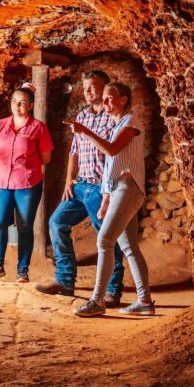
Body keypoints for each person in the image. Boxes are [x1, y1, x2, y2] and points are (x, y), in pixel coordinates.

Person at [35, 71, 125, 301]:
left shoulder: (113, 118)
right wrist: (68, 181)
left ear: (105, 89)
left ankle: (113, 290)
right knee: (57, 222)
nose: (88, 91)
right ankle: (65, 281)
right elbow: (74, 152)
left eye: (93, 87)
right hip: (80, 186)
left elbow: (116, 152)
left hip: (100, 188)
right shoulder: (82, 116)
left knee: (106, 237)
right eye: (85, 88)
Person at [69, 82, 154, 317]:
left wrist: (85, 131)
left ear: (123, 99)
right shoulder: (117, 125)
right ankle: (144, 301)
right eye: (104, 99)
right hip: (118, 190)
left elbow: (112, 151)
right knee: (128, 246)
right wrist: (106, 199)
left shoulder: (131, 122)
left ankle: (97, 301)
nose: (105, 103)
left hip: (128, 188)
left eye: (109, 98)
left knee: (104, 242)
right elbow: (110, 167)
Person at [0, 85, 53, 283]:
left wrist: (27, 161)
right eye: (14, 101)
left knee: (24, 227)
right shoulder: (0, 125)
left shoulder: (38, 128)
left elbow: (46, 158)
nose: (17, 105)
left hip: (27, 183)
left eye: (22, 102)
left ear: (30, 106)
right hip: (2, 182)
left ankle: (23, 271)